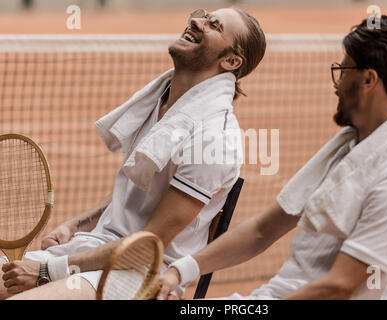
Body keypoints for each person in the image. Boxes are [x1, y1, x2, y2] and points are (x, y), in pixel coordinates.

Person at [156, 15, 387, 300]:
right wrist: (179, 271)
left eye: (343, 71)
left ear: (367, 79)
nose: (337, 86)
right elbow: (262, 230)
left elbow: (337, 287)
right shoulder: (352, 150)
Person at [0, 7, 266, 300]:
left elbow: (147, 247)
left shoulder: (214, 138)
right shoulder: (163, 103)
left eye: (214, 25)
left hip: (144, 275)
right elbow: (141, 191)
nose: (196, 21)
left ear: (231, 61)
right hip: (96, 251)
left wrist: (48, 271)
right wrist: (76, 225)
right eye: (202, 15)